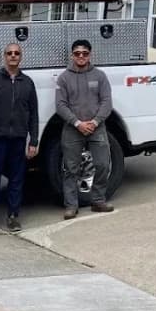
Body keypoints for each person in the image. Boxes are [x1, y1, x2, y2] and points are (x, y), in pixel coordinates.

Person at [0, 42, 39, 233]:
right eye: (9, 53)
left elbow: (33, 114)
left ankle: (13, 216)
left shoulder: (27, 83)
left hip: (18, 139)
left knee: (17, 180)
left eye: (16, 53)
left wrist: (33, 141)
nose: (13, 56)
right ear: (4, 56)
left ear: (21, 57)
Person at [54, 38, 114, 219]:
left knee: (103, 164)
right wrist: (77, 123)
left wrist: (94, 122)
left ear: (90, 55)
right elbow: (60, 105)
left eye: (85, 53)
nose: (81, 56)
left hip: (97, 128)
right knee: (70, 169)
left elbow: (106, 102)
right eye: (77, 53)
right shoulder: (64, 77)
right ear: (72, 55)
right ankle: (71, 206)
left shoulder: (100, 76)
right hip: (73, 129)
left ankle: (98, 200)